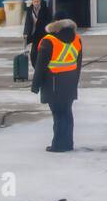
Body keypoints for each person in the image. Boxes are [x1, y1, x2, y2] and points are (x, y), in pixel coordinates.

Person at [30, 18, 82, 152]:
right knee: (67, 113)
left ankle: (58, 145)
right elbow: (78, 64)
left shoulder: (49, 41)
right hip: (70, 83)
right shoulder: (77, 39)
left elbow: (40, 65)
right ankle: (68, 143)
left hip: (53, 84)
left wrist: (35, 85)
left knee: (58, 115)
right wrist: (75, 82)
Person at [21, 0, 52, 66]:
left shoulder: (45, 10)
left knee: (42, 50)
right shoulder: (30, 10)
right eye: (35, 1)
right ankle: (35, 66)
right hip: (34, 34)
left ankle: (43, 66)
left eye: (37, 1)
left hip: (43, 34)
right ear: (32, 2)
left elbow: (49, 21)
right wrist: (26, 32)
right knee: (33, 53)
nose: (36, 3)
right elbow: (27, 22)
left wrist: (49, 31)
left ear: (40, 2)